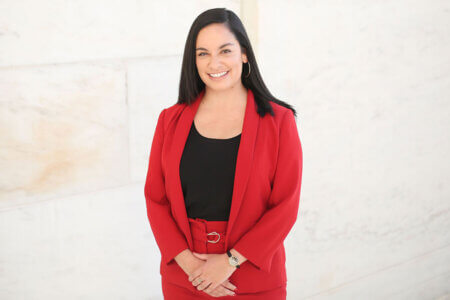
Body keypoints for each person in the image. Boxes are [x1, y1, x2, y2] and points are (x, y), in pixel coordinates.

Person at [144, 7, 303, 299]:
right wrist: (190, 264)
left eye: (225, 50)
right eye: (202, 53)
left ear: (244, 53)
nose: (214, 62)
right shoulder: (170, 120)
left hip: (254, 278)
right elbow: (156, 198)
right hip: (185, 278)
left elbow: (285, 205)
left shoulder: (279, 122)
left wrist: (231, 261)